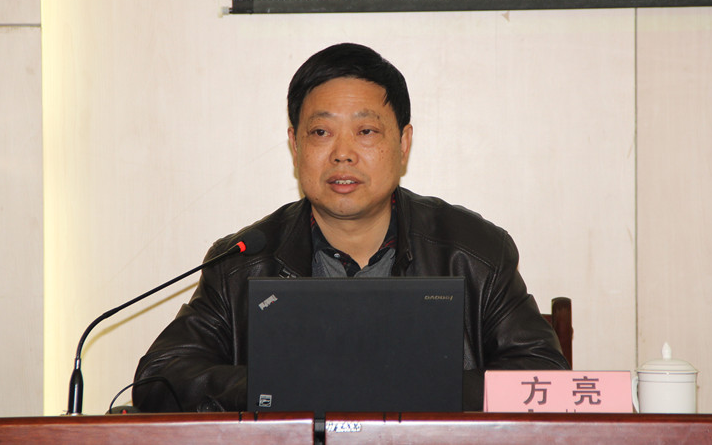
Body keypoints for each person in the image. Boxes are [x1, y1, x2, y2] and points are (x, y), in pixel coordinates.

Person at [132, 43, 569, 412]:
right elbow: (160, 379)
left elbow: (544, 378)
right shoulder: (241, 263)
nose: (343, 153)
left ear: (403, 144)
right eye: (321, 132)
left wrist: (409, 386)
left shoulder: (474, 252)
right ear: (295, 145)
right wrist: (279, 385)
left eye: (366, 131)